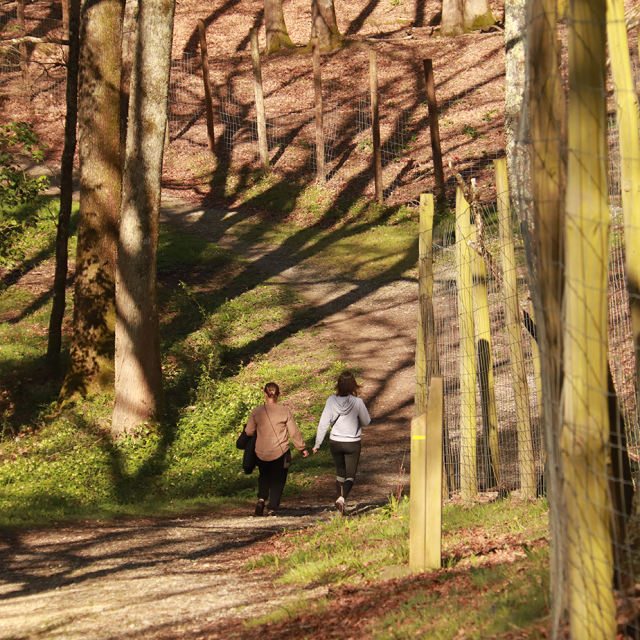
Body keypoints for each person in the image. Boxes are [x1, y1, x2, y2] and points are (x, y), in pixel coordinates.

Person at [245, 382, 309, 516]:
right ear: (278, 395)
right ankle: (272, 507)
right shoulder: (285, 411)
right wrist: (301, 447)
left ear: (265, 394)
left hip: (261, 451)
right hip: (282, 451)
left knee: (264, 475)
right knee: (279, 479)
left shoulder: (257, 411)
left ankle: (261, 499)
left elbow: (249, 431)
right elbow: (293, 432)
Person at [312, 371, 371, 515]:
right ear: (353, 385)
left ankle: (340, 502)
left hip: (335, 442)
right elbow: (367, 421)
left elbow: (323, 423)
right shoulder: (357, 402)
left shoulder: (331, 401)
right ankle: (341, 499)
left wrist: (317, 443)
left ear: (338, 385)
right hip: (352, 442)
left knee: (340, 473)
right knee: (350, 475)